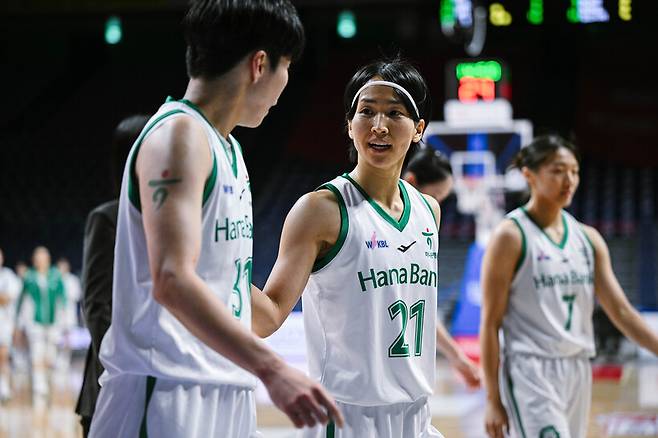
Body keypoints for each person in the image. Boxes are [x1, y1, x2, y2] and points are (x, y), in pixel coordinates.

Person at [90, 1, 342, 437]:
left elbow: (229, 293)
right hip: (167, 390)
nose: (286, 84)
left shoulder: (228, 149)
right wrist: (273, 367)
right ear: (260, 65)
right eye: (287, 67)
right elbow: (172, 278)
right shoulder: (178, 135)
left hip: (226, 388)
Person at [252, 57, 444, 437]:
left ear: (418, 129)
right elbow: (268, 316)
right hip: (347, 420)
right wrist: (217, 267)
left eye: (395, 113)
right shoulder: (320, 210)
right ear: (349, 124)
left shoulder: (429, 210)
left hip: (417, 416)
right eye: (366, 111)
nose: (378, 126)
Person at [480, 135, 658, 438]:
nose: (569, 180)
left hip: (577, 367)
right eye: (558, 170)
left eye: (574, 171)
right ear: (530, 175)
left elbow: (622, 312)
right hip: (530, 370)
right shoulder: (510, 236)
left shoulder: (587, 239)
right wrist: (492, 399)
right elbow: (489, 323)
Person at [75, 114, 149, 437]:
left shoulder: (180, 219)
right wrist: (124, 369)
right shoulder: (107, 218)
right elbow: (96, 305)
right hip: (112, 383)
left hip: (160, 383)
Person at [402, 147, 481, 389]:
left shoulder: (421, 233)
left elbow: (421, 306)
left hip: (409, 373)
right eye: (435, 196)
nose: (437, 206)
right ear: (411, 182)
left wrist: (457, 357)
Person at [15, 246, 66, 405]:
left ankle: (47, 378)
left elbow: (62, 299)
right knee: (36, 353)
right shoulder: (29, 277)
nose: (41, 261)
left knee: (50, 355)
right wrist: (19, 324)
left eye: (43, 258)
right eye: (38, 259)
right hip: (34, 323)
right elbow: (22, 300)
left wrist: (64, 322)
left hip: (53, 323)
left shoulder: (55, 276)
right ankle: (39, 384)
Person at [0, 248, 21, 401]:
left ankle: (4, 387)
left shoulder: (8, 276)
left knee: (3, 356)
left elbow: (8, 298)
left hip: (3, 323)